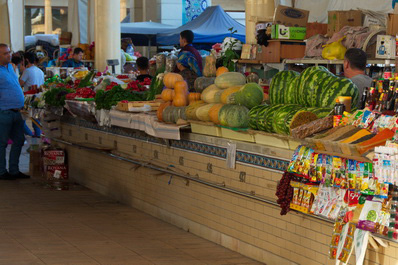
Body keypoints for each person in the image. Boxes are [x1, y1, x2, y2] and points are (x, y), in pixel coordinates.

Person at [0, 43, 30, 180]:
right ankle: (1, 171)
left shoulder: (10, 68)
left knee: (19, 140)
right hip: (4, 112)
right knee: (2, 143)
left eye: (9, 52)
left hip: (17, 111)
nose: (9, 55)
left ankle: (14, 170)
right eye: (5, 53)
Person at [19, 52, 43, 137]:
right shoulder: (40, 71)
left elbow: (20, 84)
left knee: (20, 120)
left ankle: (31, 135)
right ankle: (37, 136)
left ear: (26, 60)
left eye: (22, 60)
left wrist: (21, 71)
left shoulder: (27, 71)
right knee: (36, 120)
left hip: (29, 98)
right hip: (39, 98)